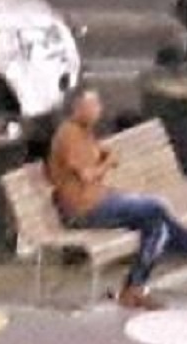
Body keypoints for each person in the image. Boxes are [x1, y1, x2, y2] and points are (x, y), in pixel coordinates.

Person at [47, 87, 187, 309]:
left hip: (101, 200)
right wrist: (107, 164)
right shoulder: (68, 136)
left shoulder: (84, 132)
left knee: (156, 225)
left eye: (98, 105)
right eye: (93, 105)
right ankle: (136, 287)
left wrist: (107, 157)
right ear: (77, 108)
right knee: (155, 207)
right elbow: (87, 175)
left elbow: (105, 151)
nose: (99, 110)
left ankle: (133, 289)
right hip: (83, 211)